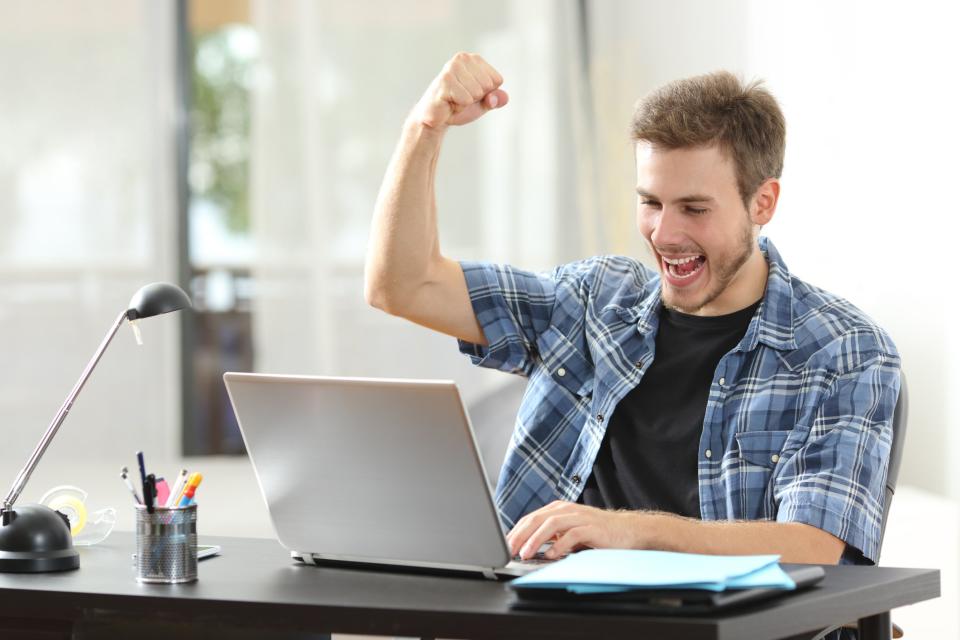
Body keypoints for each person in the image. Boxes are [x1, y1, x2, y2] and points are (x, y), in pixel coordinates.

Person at [365, 53, 900, 570]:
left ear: (762, 203)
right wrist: (426, 128)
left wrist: (626, 530)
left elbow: (817, 546)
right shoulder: (590, 302)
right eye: (651, 202)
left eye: (694, 208)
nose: (664, 235)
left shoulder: (842, 349)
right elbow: (403, 285)